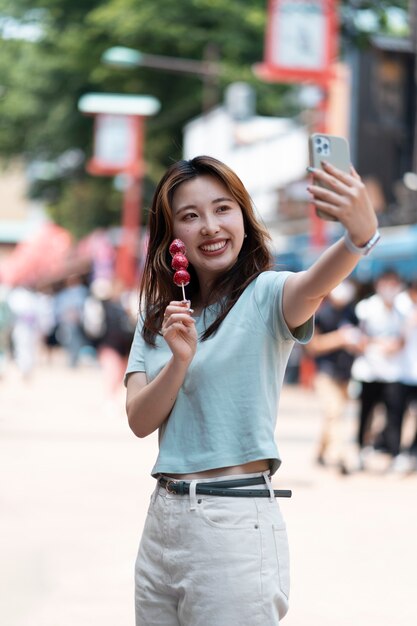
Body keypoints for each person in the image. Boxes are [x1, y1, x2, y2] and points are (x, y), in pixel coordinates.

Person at [125, 155, 378, 625]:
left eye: (222, 209)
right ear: (171, 235)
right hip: (162, 519)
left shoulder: (266, 295)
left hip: (233, 522)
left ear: (243, 217)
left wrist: (358, 239)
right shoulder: (157, 318)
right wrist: (181, 359)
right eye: (190, 215)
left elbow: (315, 283)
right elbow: (140, 421)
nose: (209, 226)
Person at [351, 270, 406, 470]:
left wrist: (395, 345)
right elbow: (360, 338)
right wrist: (380, 343)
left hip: (392, 372)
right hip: (369, 371)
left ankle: (394, 454)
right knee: (366, 413)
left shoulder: (402, 310)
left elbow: (403, 339)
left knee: (394, 415)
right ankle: (360, 450)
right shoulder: (367, 307)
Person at [305, 279, 361, 474]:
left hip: (345, 374)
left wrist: (356, 343)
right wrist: (339, 339)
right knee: (334, 413)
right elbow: (313, 346)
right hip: (325, 374)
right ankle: (340, 457)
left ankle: (320, 451)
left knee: (332, 416)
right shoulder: (322, 314)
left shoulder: (352, 313)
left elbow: (361, 340)